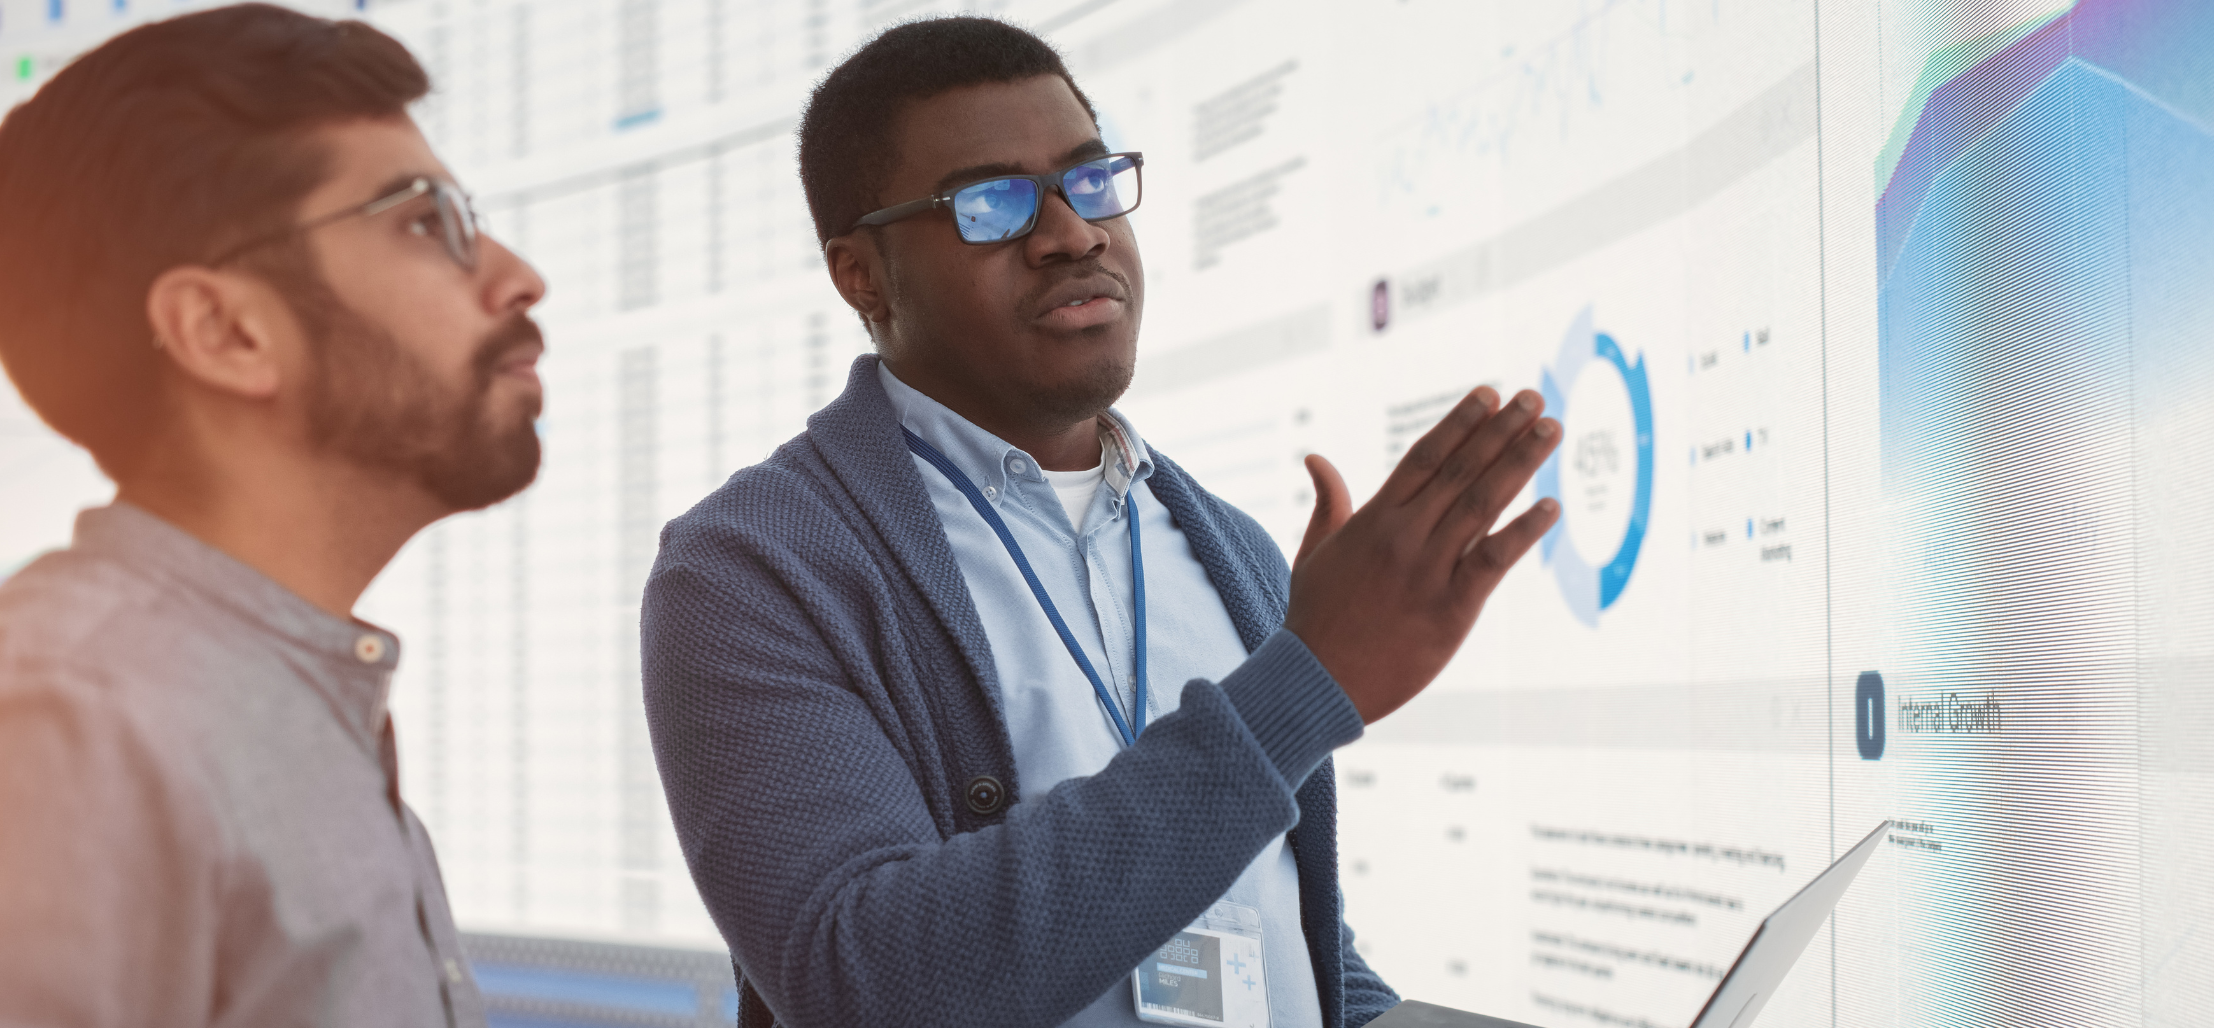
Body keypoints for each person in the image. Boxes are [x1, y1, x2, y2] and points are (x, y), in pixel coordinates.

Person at [641, 17, 1561, 1028]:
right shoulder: (750, 566)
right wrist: (1305, 681)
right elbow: (866, 981)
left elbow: (1285, 952)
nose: (1074, 233)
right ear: (860, 274)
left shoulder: (1229, 548)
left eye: (1090, 180)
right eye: (991, 204)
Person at [0, 6, 546, 1026]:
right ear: (225, 331)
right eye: (428, 222)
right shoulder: (73, 722)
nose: (521, 275)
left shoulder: (298, 698)